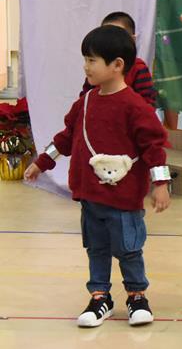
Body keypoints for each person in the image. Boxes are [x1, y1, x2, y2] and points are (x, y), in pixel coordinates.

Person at [24, 25, 171, 328]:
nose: (86, 66)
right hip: (91, 195)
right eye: (85, 59)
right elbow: (65, 138)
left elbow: (154, 148)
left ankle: (137, 296)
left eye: (92, 60)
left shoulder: (136, 107)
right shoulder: (86, 102)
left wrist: (161, 184)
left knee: (129, 249)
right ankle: (99, 297)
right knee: (96, 248)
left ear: (117, 65)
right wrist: (41, 162)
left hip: (124, 198)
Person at [80, 11, 157, 108]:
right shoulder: (96, 69)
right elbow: (83, 102)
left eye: (119, 36)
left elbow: (148, 103)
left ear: (132, 40)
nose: (111, 42)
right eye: (106, 37)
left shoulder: (138, 68)